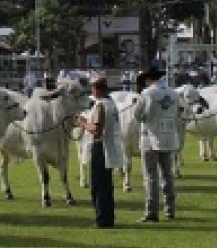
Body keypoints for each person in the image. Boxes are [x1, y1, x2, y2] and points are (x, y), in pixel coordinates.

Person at [75, 75, 125, 227]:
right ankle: (108, 217)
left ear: (96, 89)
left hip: (100, 147)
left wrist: (82, 123)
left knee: (99, 186)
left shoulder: (100, 106)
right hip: (110, 147)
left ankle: (102, 219)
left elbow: (96, 129)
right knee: (106, 186)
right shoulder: (111, 103)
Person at [132, 68, 180, 221]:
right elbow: (177, 113)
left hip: (150, 137)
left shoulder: (147, 93)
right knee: (168, 174)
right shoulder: (173, 92)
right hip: (169, 135)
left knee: (151, 176)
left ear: (148, 79)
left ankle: (151, 211)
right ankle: (170, 209)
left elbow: (138, 115)